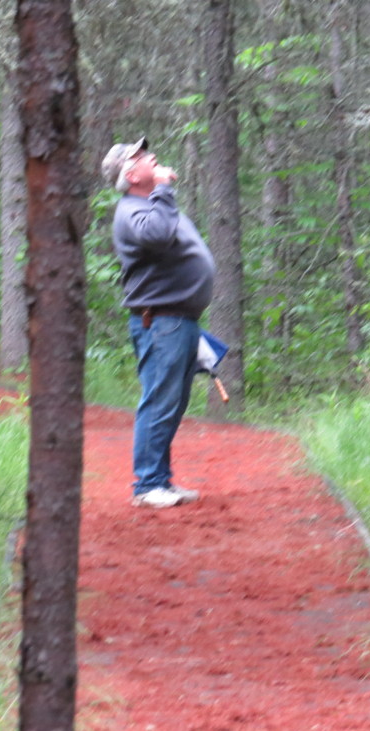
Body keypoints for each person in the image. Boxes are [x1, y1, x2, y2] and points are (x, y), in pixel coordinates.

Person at [101, 137, 216, 508]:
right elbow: (157, 235)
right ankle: (147, 485)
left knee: (174, 402)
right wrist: (164, 190)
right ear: (131, 174)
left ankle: (160, 480)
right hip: (161, 321)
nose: (151, 155)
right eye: (140, 156)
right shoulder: (132, 211)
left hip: (179, 319)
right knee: (159, 401)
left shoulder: (151, 206)